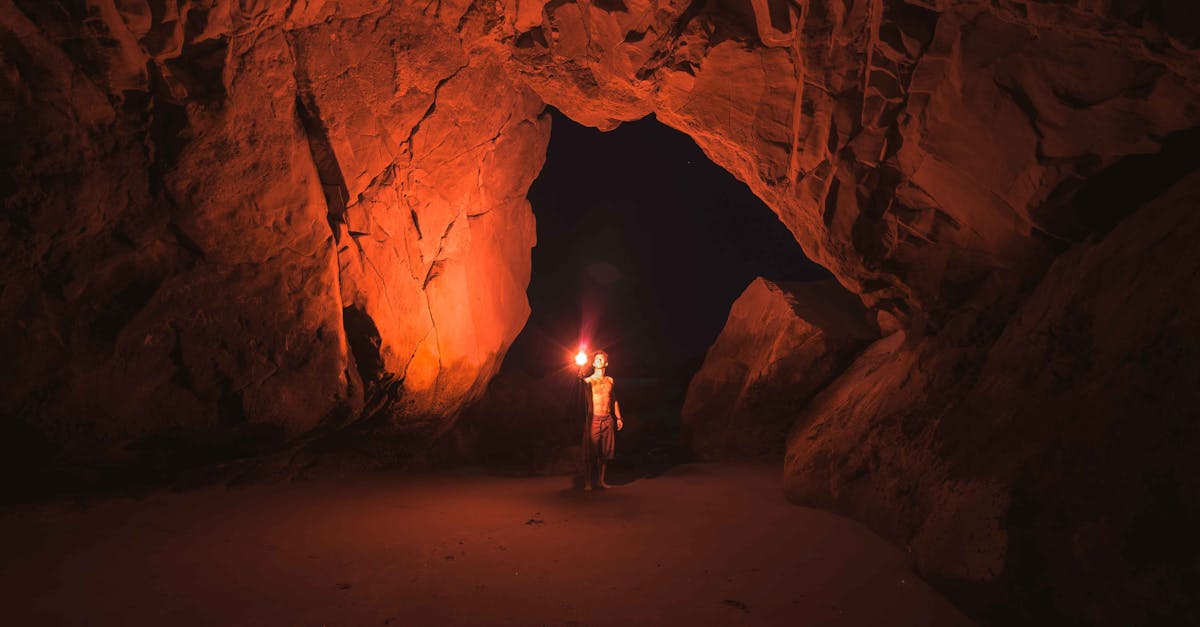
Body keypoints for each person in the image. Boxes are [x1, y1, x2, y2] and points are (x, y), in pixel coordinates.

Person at [578, 350, 622, 490]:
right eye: (596, 359)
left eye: (601, 359)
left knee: (605, 453)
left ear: (606, 363)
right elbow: (580, 381)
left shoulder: (610, 380)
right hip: (594, 420)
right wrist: (580, 367)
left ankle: (601, 481)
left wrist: (619, 417)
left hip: (608, 419)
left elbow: (613, 400)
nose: (599, 361)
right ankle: (588, 483)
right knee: (590, 453)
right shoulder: (589, 381)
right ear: (593, 363)